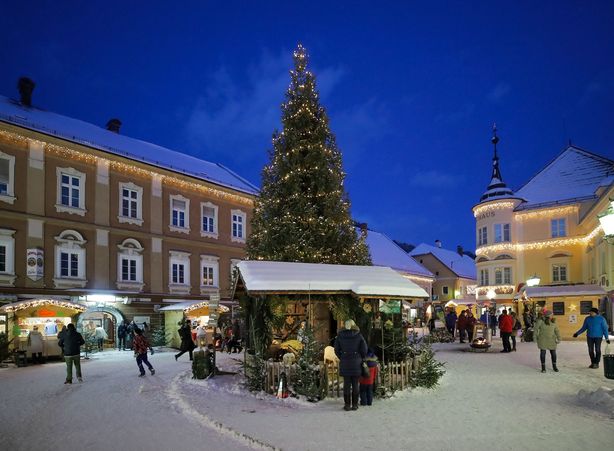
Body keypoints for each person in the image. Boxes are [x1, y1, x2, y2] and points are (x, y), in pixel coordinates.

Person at [334, 319, 367, 411]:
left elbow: (336, 349)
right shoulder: (359, 335)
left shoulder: (340, 336)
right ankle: (355, 404)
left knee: (346, 384)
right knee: (355, 384)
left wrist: (342, 356)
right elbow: (364, 349)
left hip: (345, 361)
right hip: (356, 362)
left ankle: (347, 405)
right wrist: (360, 357)